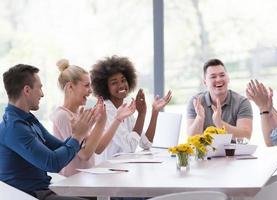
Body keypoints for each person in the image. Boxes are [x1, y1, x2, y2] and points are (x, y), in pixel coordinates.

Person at [0, 64, 95, 199]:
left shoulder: (28, 120)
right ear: (27, 90)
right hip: (31, 195)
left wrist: (77, 135)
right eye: (40, 88)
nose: (42, 94)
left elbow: (59, 147)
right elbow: (52, 163)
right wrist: (78, 135)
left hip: (46, 189)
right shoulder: (14, 128)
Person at [51, 59, 136, 176]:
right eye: (86, 86)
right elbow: (85, 154)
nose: (91, 91)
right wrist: (101, 123)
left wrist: (113, 119)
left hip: (86, 182)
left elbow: (98, 148)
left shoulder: (79, 114)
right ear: (70, 87)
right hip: (72, 185)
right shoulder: (63, 116)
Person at [90, 55, 172, 161]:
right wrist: (141, 114)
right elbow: (130, 147)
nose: (121, 85)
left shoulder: (125, 107)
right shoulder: (107, 110)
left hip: (121, 169)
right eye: (114, 83)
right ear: (105, 87)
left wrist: (154, 112)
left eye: (123, 80)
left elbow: (146, 143)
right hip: (106, 169)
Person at [186, 58, 253, 139]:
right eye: (213, 77)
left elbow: (246, 136)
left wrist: (219, 123)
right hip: (205, 151)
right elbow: (191, 139)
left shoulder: (242, 102)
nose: (218, 79)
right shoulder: (196, 102)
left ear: (228, 78)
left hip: (232, 151)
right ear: (205, 82)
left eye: (222, 75)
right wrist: (200, 118)